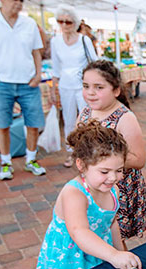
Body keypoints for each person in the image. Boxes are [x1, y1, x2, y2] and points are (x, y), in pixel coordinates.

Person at [32, 120, 142, 269]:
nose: (113, 178)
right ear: (81, 165)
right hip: (68, 259)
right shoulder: (74, 193)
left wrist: (120, 250)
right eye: (104, 172)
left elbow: (112, 222)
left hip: (97, 251)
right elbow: (79, 232)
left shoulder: (113, 189)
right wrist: (113, 255)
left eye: (119, 170)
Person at [78, 60, 146, 247]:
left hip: (118, 188)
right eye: (86, 86)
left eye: (99, 87)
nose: (90, 92)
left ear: (116, 90)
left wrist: (104, 160)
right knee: (96, 234)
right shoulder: (86, 113)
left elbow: (138, 159)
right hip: (93, 186)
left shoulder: (124, 117)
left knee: (115, 238)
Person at [0, 0, 47, 180]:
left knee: (33, 123)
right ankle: (5, 162)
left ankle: (31, 159)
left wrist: (38, 75)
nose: (19, 3)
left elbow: (36, 52)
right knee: (2, 124)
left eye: (21, 0)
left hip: (28, 82)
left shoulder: (29, 23)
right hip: (1, 83)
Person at [51, 5, 98, 168]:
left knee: (86, 119)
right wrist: (53, 88)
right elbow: (55, 67)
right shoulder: (55, 41)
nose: (64, 25)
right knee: (69, 120)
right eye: (60, 21)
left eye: (68, 22)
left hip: (83, 86)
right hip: (65, 85)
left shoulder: (84, 40)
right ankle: (71, 152)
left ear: (75, 23)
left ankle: (88, 151)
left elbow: (94, 61)